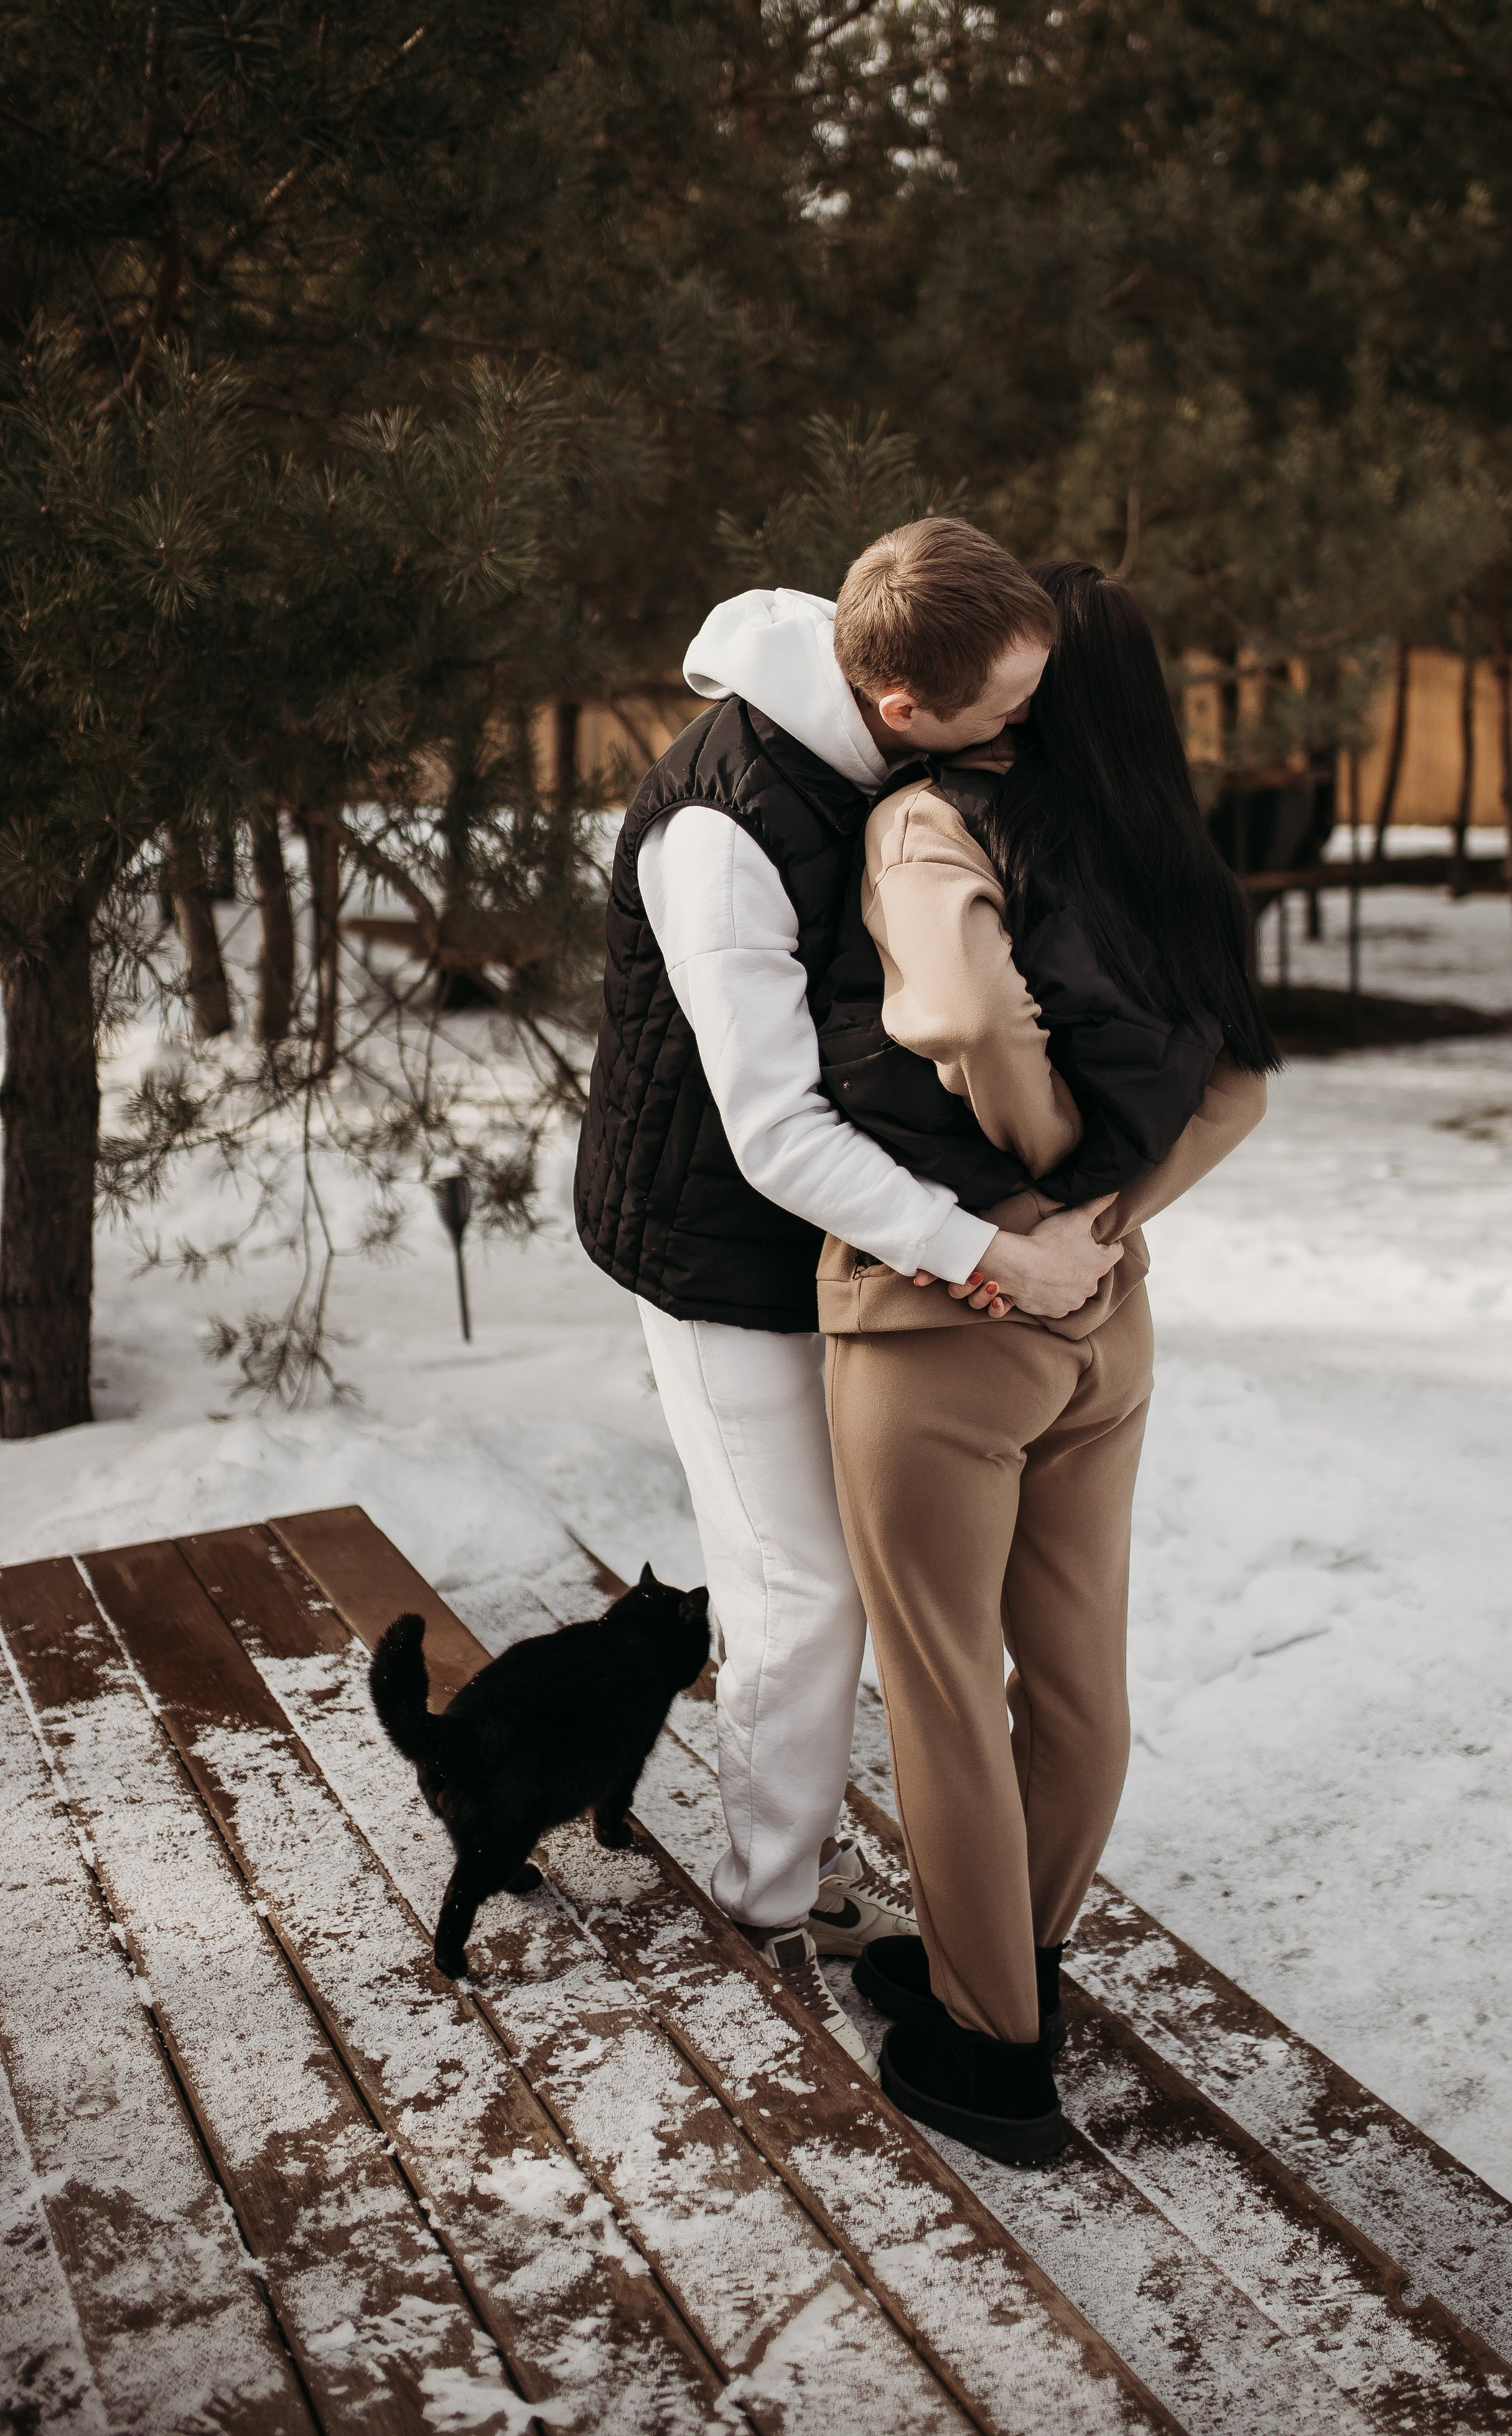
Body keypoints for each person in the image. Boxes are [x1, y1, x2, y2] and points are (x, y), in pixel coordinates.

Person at [574, 521, 1122, 2059]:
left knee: (859, 1579)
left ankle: (793, 1839)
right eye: (1003, 707)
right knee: (797, 1586)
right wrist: (987, 1254)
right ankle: (767, 1894)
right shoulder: (723, 833)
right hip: (721, 1244)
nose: (1025, 722)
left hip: (849, 1246)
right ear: (899, 707)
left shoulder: (905, 679)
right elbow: (771, 1133)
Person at [816, 561, 1280, 2160]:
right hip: (1109, 1318)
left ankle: (991, 2056)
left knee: (944, 1689)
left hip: (954, 1314)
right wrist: (1104, 1215)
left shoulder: (932, 821)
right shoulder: (1167, 858)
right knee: (1075, 1677)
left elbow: (956, 1012)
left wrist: (1039, 1177)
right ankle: (1008, 1956)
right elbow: (1235, 1095)